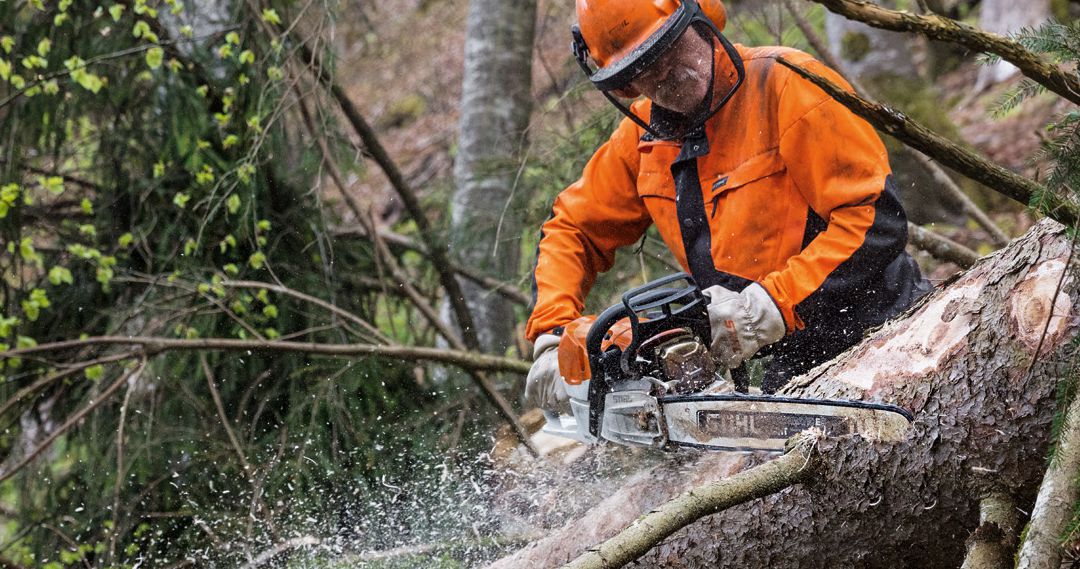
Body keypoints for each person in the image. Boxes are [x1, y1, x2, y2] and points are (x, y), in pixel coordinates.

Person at [524, 0, 928, 410]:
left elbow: (876, 220)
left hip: (881, 320)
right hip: (794, 359)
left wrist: (769, 305)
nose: (664, 73)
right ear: (624, 82)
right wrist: (553, 331)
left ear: (700, 21)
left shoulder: (785, 84)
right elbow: (573, 227)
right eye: (642, 67)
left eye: (668, 48)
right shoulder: (642, 141)